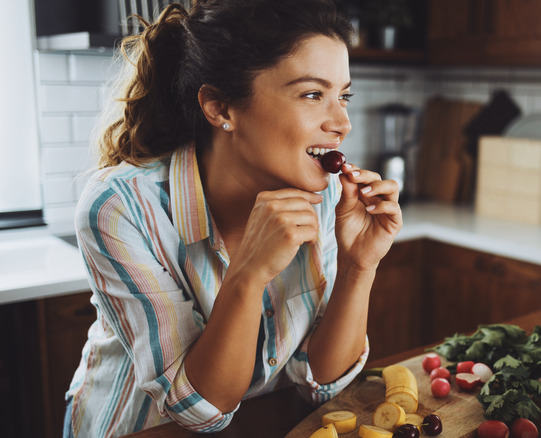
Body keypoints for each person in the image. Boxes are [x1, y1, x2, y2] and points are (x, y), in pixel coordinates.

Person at [64, 0, 402, 436]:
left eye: (344, 96)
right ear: (221, 108)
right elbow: (198, 411)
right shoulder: (120, 207)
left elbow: (321, 383)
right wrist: (249, 273)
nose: (343, 122)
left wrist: (360, 265)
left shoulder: (327, 195)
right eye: (313, 94)